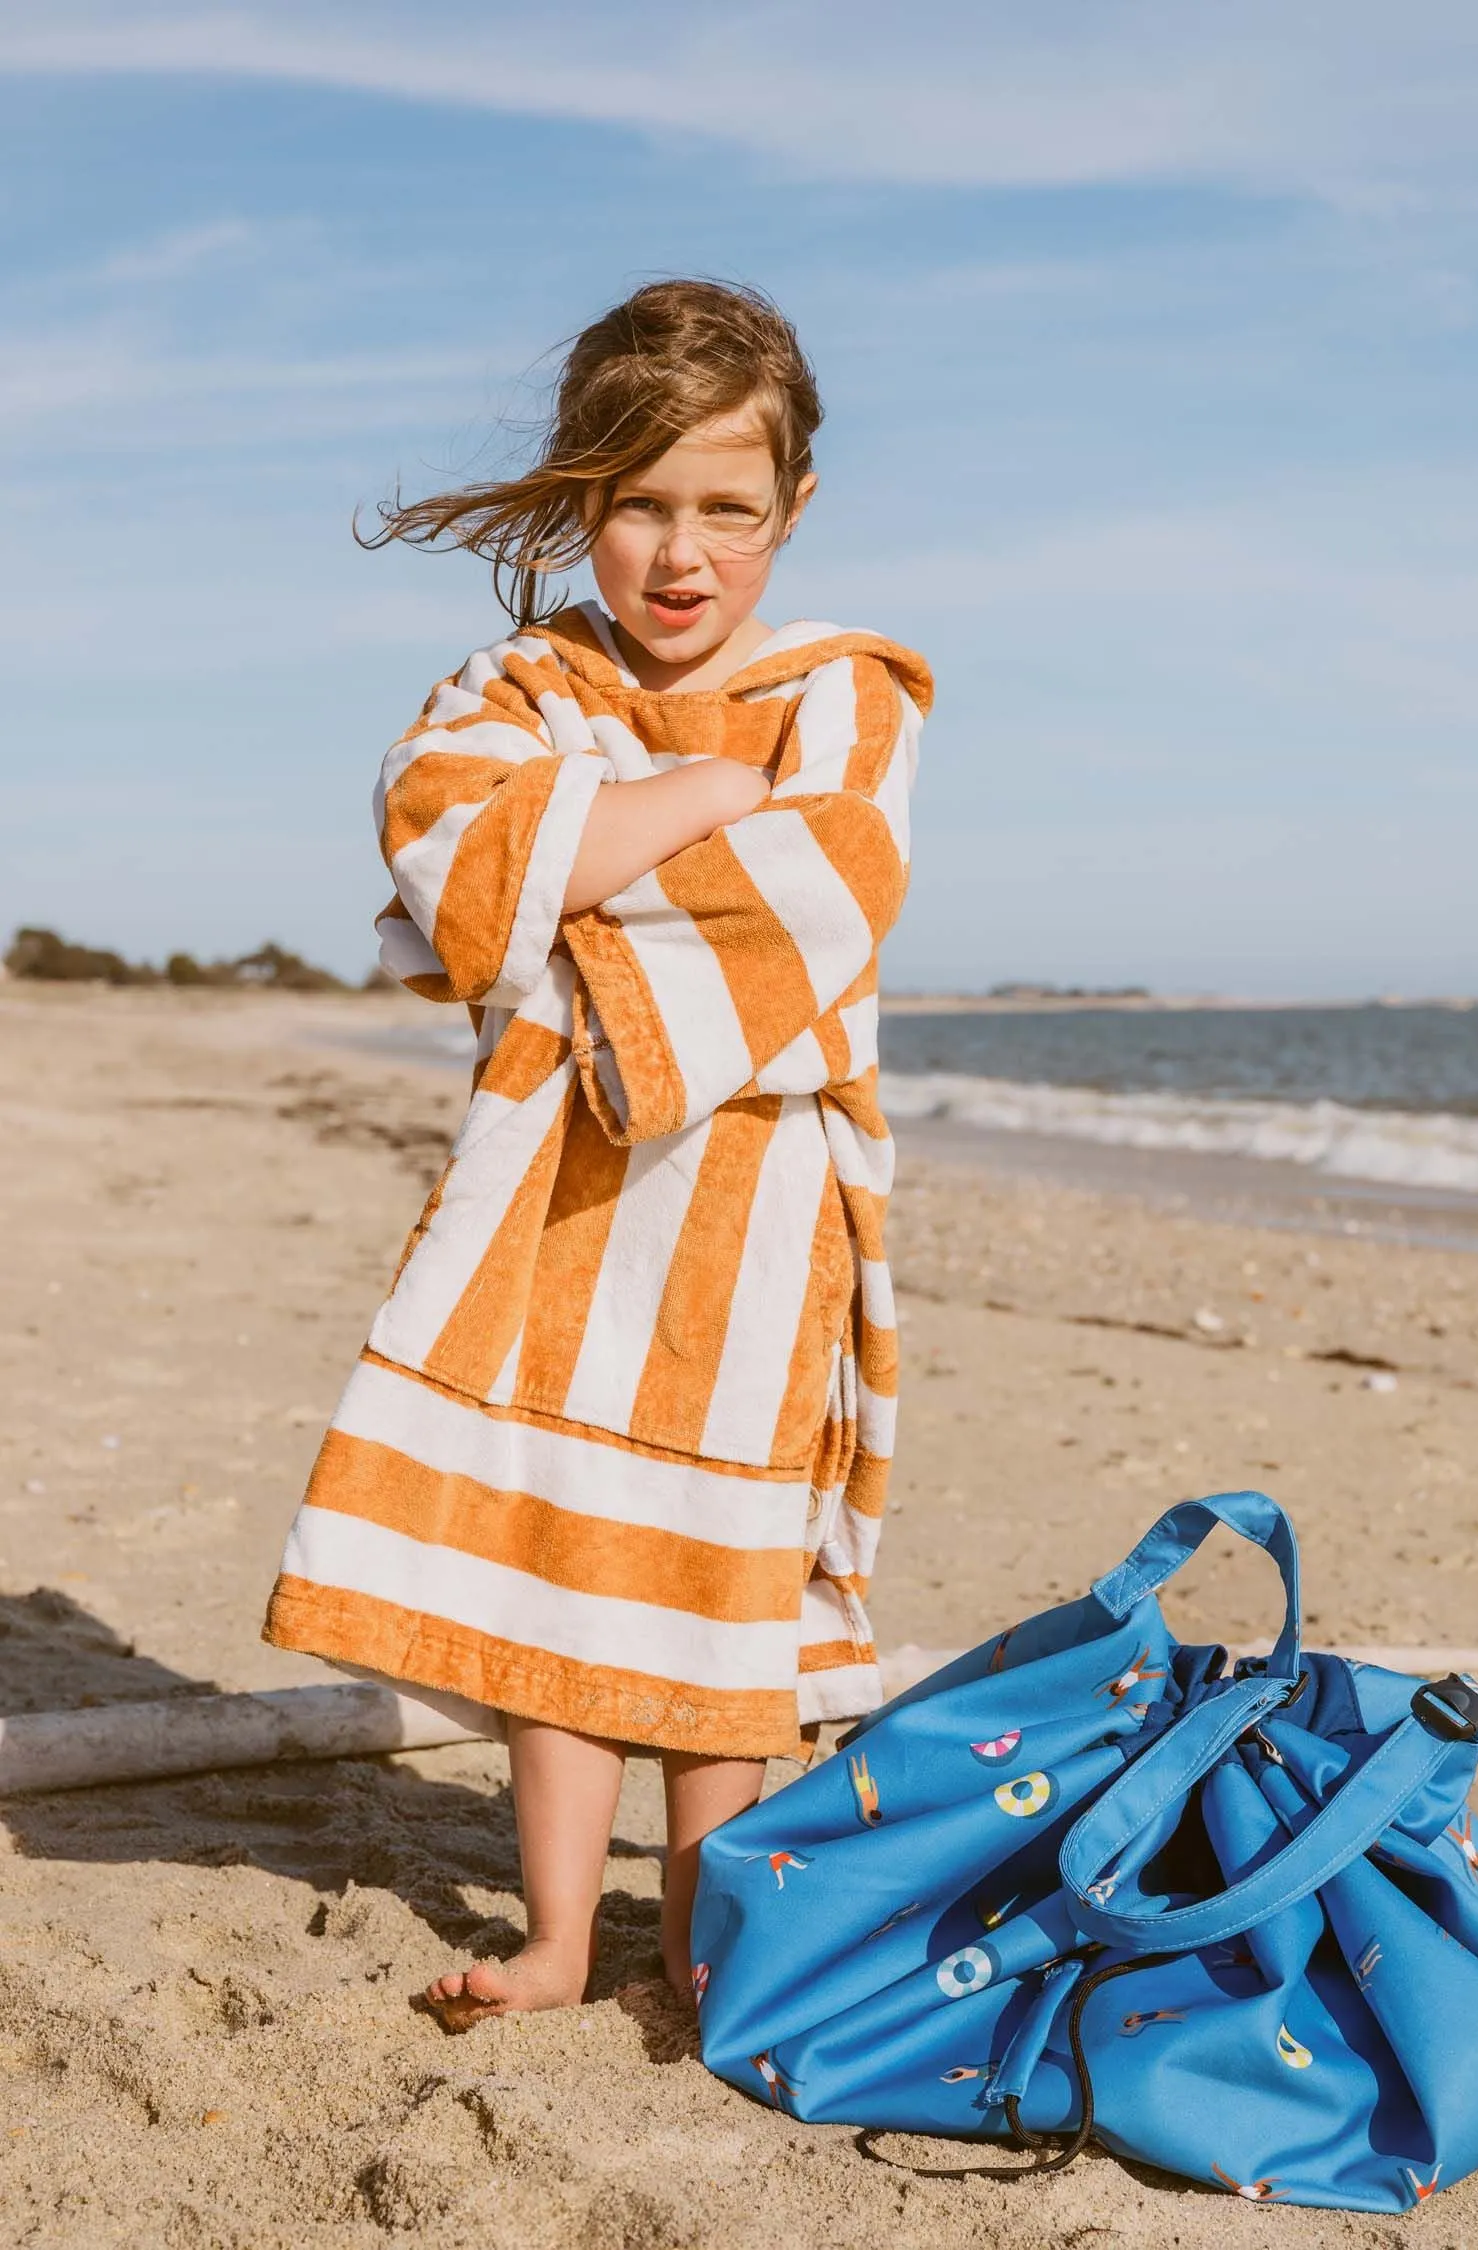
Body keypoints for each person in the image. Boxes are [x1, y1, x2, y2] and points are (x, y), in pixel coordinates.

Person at [262, 278, 932, 2030]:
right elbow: (449, 851)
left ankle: (704, 1950)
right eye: (640, 502)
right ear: (580, 503)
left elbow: (821, 894)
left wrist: (582, 859)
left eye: (728, 507)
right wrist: (701, 801)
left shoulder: (851, 699)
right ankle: (563, 1937)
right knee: (551, 1572)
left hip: (756, 1210)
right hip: (550, 1202)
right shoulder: (514, 680)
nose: (682, 552)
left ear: (794, 511)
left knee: (717, 1616)